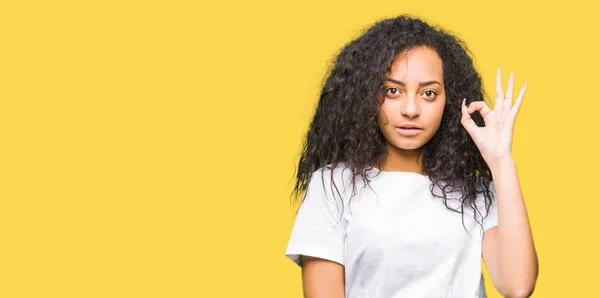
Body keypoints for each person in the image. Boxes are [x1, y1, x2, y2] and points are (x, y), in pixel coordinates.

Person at [284, 15, 539, 298]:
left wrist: (501, 160)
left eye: (428, 93)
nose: (410, 109)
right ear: (368, 95)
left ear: (449, 101)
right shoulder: (332, 187)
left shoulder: (474, 192)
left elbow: (517, 286)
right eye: (393, 91)